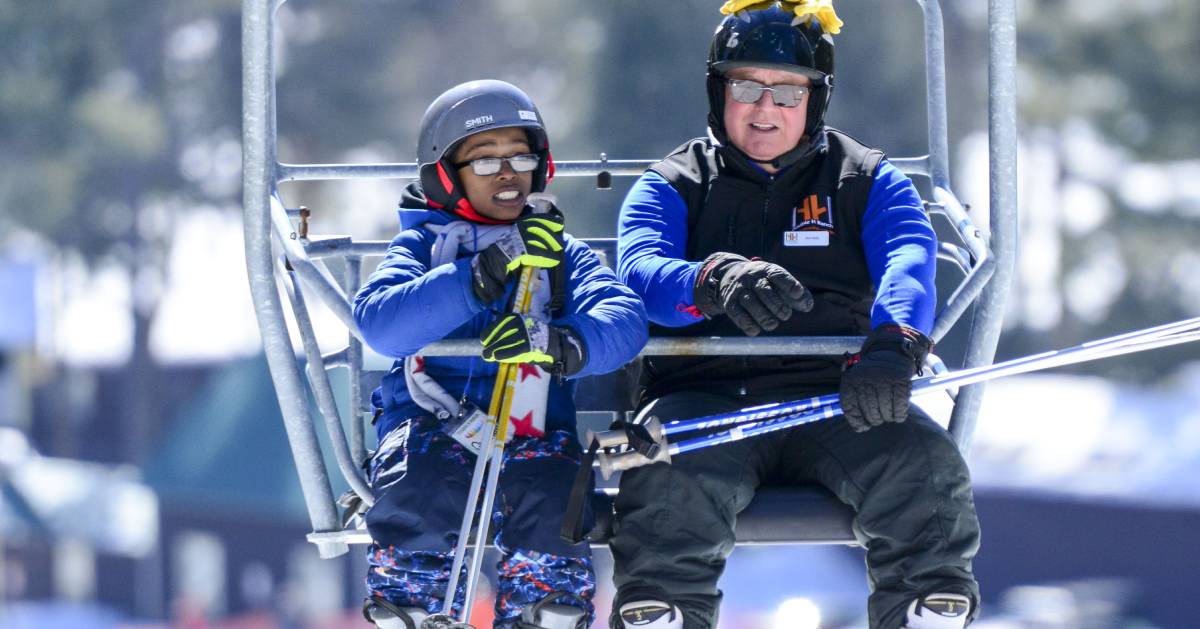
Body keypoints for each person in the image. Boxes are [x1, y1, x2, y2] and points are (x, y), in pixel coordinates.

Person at [608, 3, 981, 628]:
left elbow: (910, 258)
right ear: (718, 92)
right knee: (668, 481)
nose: (764, 108)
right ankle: (664, 612)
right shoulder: (673, 182)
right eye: (746, 87)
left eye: (787, 92)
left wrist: (894, 343)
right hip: (702, 400)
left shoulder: (863, 180)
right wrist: (709, 281)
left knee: (921, 465)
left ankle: (926, 607)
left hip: (836, 398)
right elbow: (638, 273)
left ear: (816, 100)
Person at [354, 79, 648, 629]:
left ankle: (545, 609)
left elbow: (624, 320)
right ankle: (414, 604)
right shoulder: (423, 248)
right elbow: (383, 325)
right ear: (447, 176)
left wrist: (563, 344)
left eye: (519, 156)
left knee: (555, 492)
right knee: (424, 484)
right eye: (485, 162)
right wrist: (472, 281)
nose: (507, 173)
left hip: (530, 436)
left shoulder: (560, 257)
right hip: (433, 428)